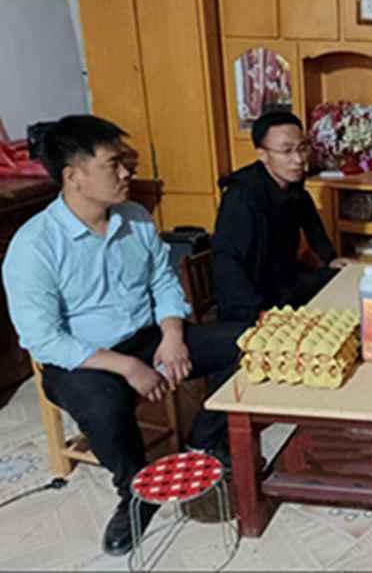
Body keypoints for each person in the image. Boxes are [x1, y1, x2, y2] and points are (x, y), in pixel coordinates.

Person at [2, 115, 246, 556]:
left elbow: (163, 282)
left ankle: (204, 440)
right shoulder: (35, 245)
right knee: (102, 404)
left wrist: (172, 333)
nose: (126, 173)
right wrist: (128, 367)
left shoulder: (135, 218)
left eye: (124, 162)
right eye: (112, 164)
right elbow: (43, 339)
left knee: (247, 344)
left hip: (147, 336)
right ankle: (133, 491)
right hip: (81, 360)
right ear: (74, 177)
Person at [212, 111, 355, 323]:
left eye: (302, 148)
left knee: (341, 279)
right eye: (286, 151)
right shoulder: (242, 196)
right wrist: (256, 314)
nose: (298, 160)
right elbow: (227, 261)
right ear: (262, 154)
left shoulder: (293, 186)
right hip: (253, 300)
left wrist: (331, 259)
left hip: (284, 283)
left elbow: (312, 225)